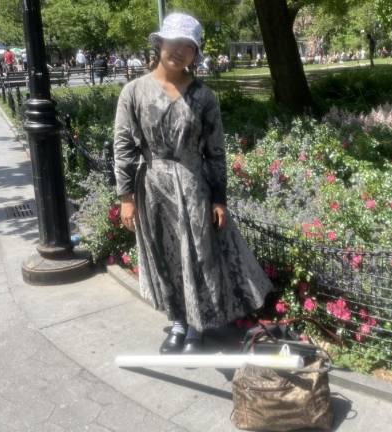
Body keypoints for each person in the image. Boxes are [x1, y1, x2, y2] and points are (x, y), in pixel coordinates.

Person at [113, 12, 273, 355]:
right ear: (160, 44)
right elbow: (123, 145)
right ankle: (177, 322)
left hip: (193, 185)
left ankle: (198, 326)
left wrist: (219, 197)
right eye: (174, 42)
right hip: (152, 187)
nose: (179, 51)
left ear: (195, 53)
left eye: (188, 46)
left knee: (197, 255)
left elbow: (215, 152)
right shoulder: (134, 92)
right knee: (164, 255)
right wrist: (125, 196)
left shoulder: (204, 97)